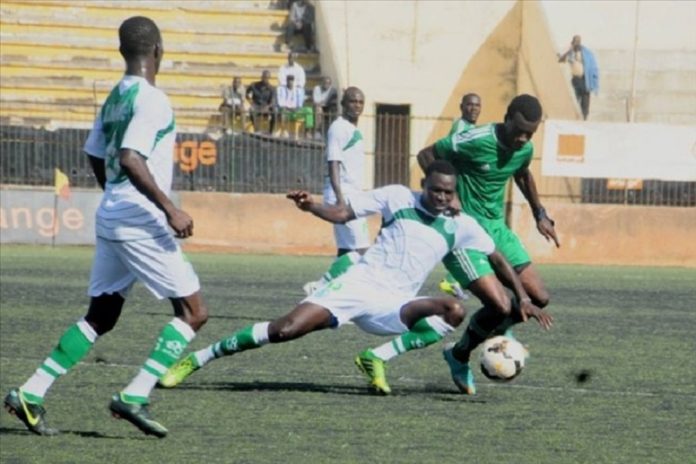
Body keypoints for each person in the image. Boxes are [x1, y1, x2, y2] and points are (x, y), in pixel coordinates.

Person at [159, 161, 549, 395]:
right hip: (357, 286)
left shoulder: (461, 225)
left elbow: (496, 257)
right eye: (435, 191)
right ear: (424, 186)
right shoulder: (398, 197)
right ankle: (197, 360)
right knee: (283, 330)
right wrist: (313, 207)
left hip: (396, 304)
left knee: (453, 309)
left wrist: (522, 298)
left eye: (448, 193)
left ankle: (374, 358)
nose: (441, 198)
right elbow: (344, 214)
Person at [3, 16, 208, 438]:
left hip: (113, 214)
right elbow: (132, 157)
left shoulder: (114, 97)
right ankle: (135, 394)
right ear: (159, 51)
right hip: (139, 218)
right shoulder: (153, 99)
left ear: (122, 53)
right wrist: (170, 209)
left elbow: (97, 154)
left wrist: (113, 192)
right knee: (194, 312)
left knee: (102, 314)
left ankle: (31, 392)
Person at [417, 94, 558, 395]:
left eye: (529, 134)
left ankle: (485, 336)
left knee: (539, 298)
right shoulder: (474, 139)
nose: (522, 138)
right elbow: (426, 155)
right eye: (518, 130)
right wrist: (449, 200)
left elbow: (522, 173)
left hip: (497, 228)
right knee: (501, 304)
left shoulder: (525, 148)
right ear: (506, 117)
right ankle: (461, 354)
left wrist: (539, 213)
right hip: (465, 230)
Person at [302, 87, 369, 296]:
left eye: (360, 102)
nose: (356, 105)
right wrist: (341, 200)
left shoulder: (351, 129)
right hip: (345, 195)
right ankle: (320, 286)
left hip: (352, 194)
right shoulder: (339, 128)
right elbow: (334, 163)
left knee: (346, 251)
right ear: (343, 104)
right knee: (362, 251)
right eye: (352, 101)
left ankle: (335, 296)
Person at [558, 35, 599, 120]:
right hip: (576, 80)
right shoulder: (570, 53)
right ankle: (575, 119)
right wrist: (570, 49)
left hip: (585, 81)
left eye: (578, 41)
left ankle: (584, 119)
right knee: (575, 102)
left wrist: (594, 82)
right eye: (575, 42)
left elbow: (593, 67)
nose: (577, 43)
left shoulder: (586, 53)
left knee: (585, 103)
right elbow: (561, 60)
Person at [275, 74, 313, 139]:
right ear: (286, 81)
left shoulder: (298, 90)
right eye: (289, 80)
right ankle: (284, 130)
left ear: (294, 81)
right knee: (283, 111)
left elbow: (300, 103)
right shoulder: (281, 89)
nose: (290, 82)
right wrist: (288, 108)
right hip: (286, 110)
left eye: (292, 80)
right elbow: (280, 102)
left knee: (309, 110)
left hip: (296, 111)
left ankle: (307, 131)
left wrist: (297, 108)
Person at [246, 70, 276, 134]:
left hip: (266, 107)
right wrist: (251, 102)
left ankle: (271, 132)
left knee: (274, 111)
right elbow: (247, 94)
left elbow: (272, 101)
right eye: (264, 77)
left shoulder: (272, 88)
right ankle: (256, 131)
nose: (265, 79)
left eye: (267, 77)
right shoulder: (254, 85)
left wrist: (267, 107)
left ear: (269, 78)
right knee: (251, 110)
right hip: (256, 106)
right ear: (261, 77)